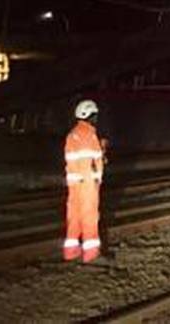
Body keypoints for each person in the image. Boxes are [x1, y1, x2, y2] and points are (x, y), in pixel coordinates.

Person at [64, 99, 106, 263]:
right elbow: (93, 160)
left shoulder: (72, 135)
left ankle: (70, 251)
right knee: (90, 216)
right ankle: (91, 253)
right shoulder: (90, 135)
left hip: (74, 182)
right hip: (88, 182)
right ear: (91, 116)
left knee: (74, 215)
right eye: (95, 116)